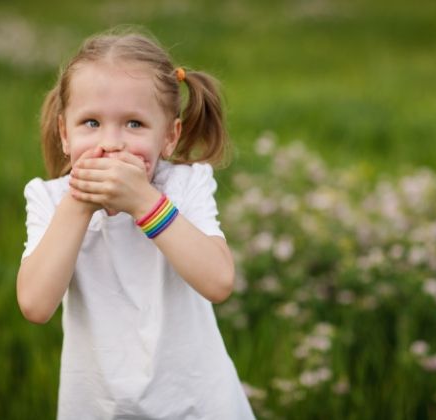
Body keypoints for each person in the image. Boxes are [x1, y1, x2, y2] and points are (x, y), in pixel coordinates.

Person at [17, 28, 256, 419]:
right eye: (91, 123)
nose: (111, 143)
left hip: (196, 401)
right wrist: (79, 205)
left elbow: (218, 282)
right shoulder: (51, 199)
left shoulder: (183, 185)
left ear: (169, 136)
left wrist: (146, 203)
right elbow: (35, 305)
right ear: (64, 133)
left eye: (134, 124)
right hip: (99, 405)